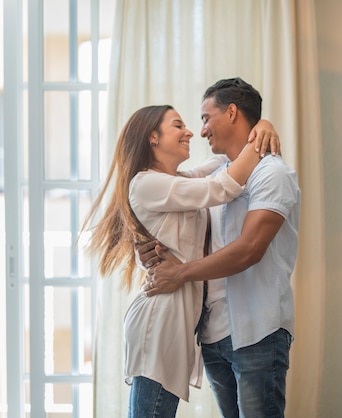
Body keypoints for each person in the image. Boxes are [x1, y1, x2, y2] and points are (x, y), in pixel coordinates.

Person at [81, 104, 280, 418]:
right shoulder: (147, 183)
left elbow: (219, 164)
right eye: (178, 125)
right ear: (153, 138)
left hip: (174, 319)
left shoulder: (173, 181)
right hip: (161, 320)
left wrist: (262, 125)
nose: (189, 132)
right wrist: (260, 139)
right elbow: (220, 186)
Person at [138, 77, 301, 418]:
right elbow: (177, 211)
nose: (200, 131)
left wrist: (179, 273)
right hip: (213, 336)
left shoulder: (272, 174)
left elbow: (249, 249)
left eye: (205, 118)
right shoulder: (218, 176)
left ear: (231, 113)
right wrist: (150, 251)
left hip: (256, 332)